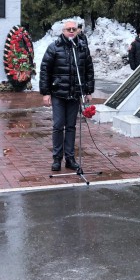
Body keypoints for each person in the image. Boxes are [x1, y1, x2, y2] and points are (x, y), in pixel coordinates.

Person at [39, 21, 94, 172]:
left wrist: (88, 91)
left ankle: (70, 158)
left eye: (73, 29)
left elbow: (89, 70)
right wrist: (46, 92)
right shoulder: (54, 47)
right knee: (58, 126)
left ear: (77, 31)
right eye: (68, 29)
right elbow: (45, 70)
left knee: (71, 126)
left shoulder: (82, 47)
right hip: (58, 93)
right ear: (63, 31)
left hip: (75, 93)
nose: (71, 31)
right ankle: (57, 158)